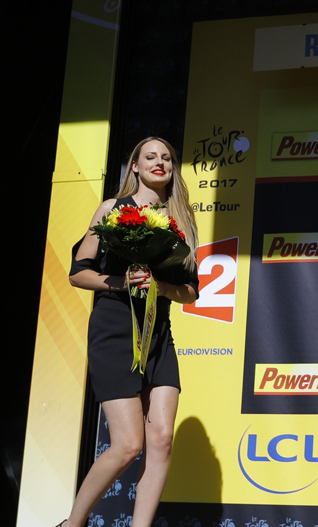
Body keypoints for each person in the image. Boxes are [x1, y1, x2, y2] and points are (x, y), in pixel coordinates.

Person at [59, 137, 200, 527]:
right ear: (134, 166)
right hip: (115, 331)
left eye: (167, 158)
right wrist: (122, 282)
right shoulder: (112, 209)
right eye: (150, 157)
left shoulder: (182, 220)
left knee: (160, 441)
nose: (160, 163)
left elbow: (190, 292)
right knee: (128, 444)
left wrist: (158, 285)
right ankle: (72, 523)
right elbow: (78, 272)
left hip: (158, 335)